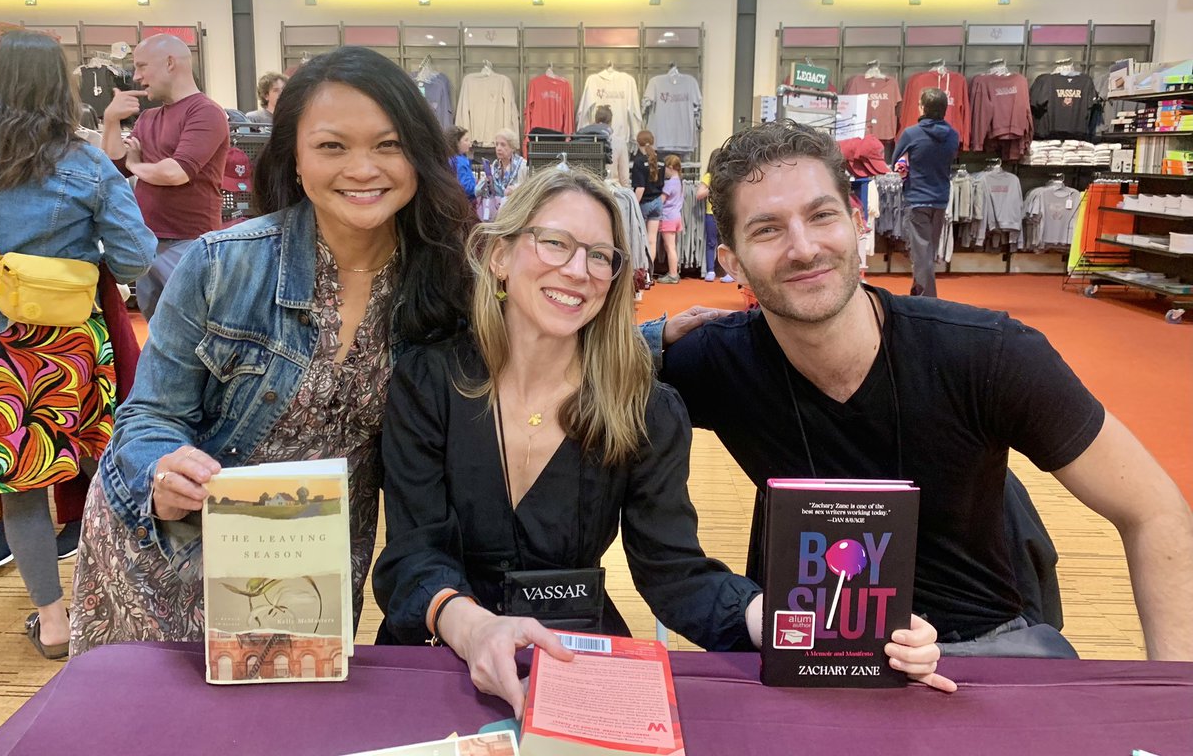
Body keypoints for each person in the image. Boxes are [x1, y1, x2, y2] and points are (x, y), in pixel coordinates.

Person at [372, 167, 949, 718]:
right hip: (436, 650)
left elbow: (674, 572)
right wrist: (473, 628)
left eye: (600, 256)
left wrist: (796, 620)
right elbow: (414, 554)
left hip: (576, 656)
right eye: (555, 243)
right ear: (499, 255)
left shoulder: (643, 408)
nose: (578, 270)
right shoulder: (429, 383)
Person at [653, 120, 1193, 660]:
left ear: (857, 222)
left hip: (980, 645)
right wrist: (647, 336)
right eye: (767, 229)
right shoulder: (715, 359)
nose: (803, 248)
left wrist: (1171, 705)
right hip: (814, 643)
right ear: (732, 263)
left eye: (821, 216)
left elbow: (1154, 510)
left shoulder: (987, 353)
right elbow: (580, 363)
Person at [69, 46, 472, 655]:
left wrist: (659, 338)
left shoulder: (443, 279)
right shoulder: (222, 265)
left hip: (310, 571)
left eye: (388, 145)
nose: (363, 169)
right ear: (295, 158)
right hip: (170, 559)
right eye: (332, 146)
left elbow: (540, 335)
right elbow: (147, 416)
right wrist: (159, 470)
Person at [0, 30, 156, 660]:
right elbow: (136, 256)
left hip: (3, 350)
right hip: (72, 348)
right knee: (104, 466)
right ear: (59, 87)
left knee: (23, 487)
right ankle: (130, 602)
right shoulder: (85, 163)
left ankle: (54, 621)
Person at [99, 33, 230, 320]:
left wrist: (135, 165)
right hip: (149, 241)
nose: (137, 77)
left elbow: (176, 172)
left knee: (193, 329)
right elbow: (113, 168)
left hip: (188, 242)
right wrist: (111, 120)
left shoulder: (205, 112)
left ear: (170, 62)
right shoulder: (148, 118)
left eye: (142, 66)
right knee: (158, 330)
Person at [891, 87, 959, 297]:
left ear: (922, 107)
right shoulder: (953, 135)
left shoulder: (911, 133)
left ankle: (926, 299)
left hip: (917, 197)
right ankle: (919, 292)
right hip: (940, 198)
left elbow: (895, 161)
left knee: (921, 253)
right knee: (928, 251)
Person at [695, 148, 733, 284]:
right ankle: (710, 270)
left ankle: (729, 272)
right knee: (711, 243)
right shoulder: (708, 177)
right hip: (711, 214)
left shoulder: (728, 176)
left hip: (726, 214)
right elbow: (699, 194)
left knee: (727, 243)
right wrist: (713, 186)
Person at [474, 128, 528, 222]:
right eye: (497, 144)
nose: (498, 148)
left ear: (512, 147)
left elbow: (529, 190)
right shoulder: (494, 166)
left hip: (515, 216)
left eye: (503, 145)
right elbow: (477, 192)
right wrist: (485, 183)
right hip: (496, 216)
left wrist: (516, 190)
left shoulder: (523, 166)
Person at [630, 130, 664, 266]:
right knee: (652, 239)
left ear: (639, 143)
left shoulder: (639, 162)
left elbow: (640, 188)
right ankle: (650, 270)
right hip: (657, 202)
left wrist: (634, 204)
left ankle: (641, 269)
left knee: (639, 239)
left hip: (644, 203)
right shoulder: (661, 160)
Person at [655, 154, 684, 284]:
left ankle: (673, 274)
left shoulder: (670, 183)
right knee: (673, 247)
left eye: (665, 168)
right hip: (676, 216)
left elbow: (661, 201)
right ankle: (674, 272)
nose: (664, 171)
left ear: (671, 167)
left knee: (669, 247)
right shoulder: (679, 181)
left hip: (668, 217)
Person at [446, 124, 476, 200]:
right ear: (456, 142)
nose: (469, 143)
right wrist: (479, 186)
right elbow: (465, 188)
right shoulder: (459, 162)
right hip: (465, 202)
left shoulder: (450, 158)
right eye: (466, 140)